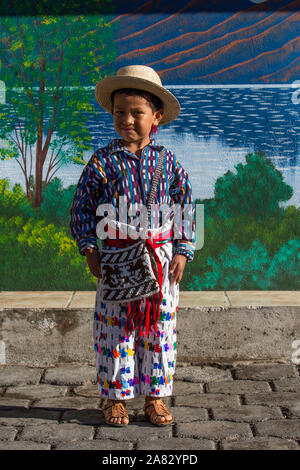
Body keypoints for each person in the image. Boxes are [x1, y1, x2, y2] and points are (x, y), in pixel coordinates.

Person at [69, 65, 196, 427]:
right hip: (116, 261)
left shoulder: (168, 162)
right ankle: (113, 398)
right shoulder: (101, 162)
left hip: (159, 261)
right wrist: (90, 247)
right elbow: (81, 206)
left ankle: (155, 397)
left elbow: (184, 204)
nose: (127, 120)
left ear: (156, 117)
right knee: (115, 329)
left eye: (136, 113)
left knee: (159, 330)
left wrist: (184, 249)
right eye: (119, 112)